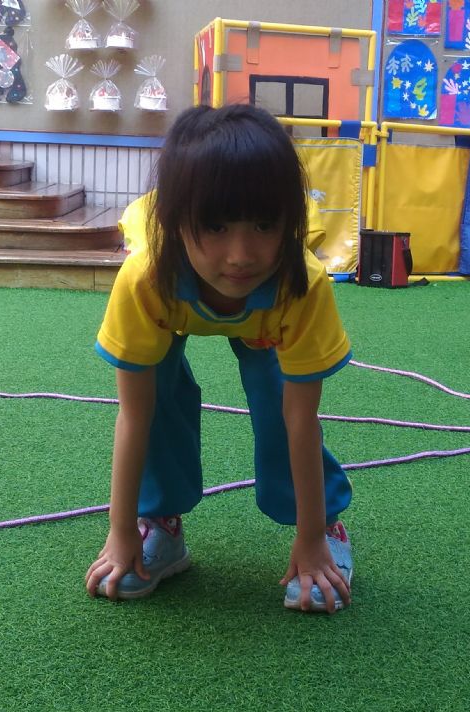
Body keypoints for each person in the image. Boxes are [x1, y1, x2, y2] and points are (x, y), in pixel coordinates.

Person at [84, 103, 354, 614]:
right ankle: (159, 521)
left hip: (267, 321)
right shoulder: (145, 277)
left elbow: (301, 419)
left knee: (276, 398)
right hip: (172, 304)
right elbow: (134, 413)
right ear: (176, 222)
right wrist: (120, 533)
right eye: (214, 227)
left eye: (264, 225)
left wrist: (311, 539)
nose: (241, 255)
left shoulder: (301, 282)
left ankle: (325, 526)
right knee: (159, 392)